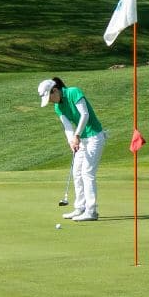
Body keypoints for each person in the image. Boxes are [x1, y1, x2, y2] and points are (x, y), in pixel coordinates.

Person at [39, 77, 105, 221]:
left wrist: (77, 135)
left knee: (87, 173)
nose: (50, 102)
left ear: (55, 90)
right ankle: (80, 208)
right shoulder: (58, 107)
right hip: (81, 140)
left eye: (50, 98)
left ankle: (91, 211)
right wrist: (71, 141)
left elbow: (85, 115)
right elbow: (67, 127)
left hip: (94, 136)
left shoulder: (74, 92)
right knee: (77, 172)